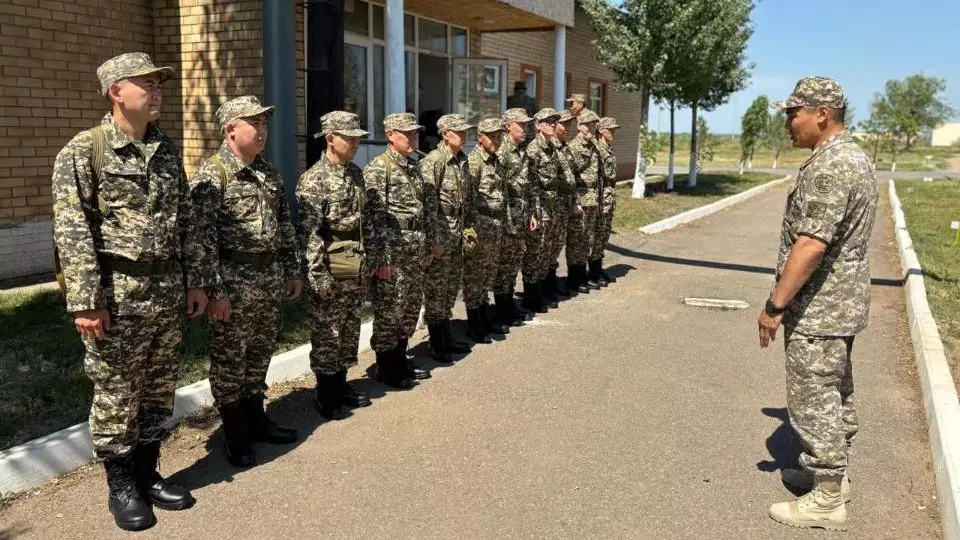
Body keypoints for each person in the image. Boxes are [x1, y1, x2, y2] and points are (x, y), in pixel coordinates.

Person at [51, 52, 202, 531]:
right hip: (118, 294)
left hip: (165, 290)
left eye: (160, 84)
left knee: (158, 390)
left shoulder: (166, 149)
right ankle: (121, 487)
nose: (157, 91)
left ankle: (147, 472)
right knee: (117, 393)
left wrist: (196, 280)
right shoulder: (83, 151)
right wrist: (87, 301)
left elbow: (187, 222)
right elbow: (72, 232)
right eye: (147, 83)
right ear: (116, 90)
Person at [760, 77, 877, 531]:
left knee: (813, 398)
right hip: (838, 304)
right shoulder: (848, 156)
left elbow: (810, 245)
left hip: (820, 308)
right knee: (834, 391)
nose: (789, 122)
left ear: (821, 114)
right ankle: (833, 479)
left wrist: (775, 305)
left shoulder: (833, 166)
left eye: (794, 112)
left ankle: (827, 498)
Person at [187, 96, 301, 467]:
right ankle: (235, 433)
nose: (263, 131)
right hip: (232, 286)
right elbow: (199, 241)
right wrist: (214, 293)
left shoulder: (269, 173)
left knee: (259, 353)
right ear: (230, 129)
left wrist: (292, 269)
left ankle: (256, 419)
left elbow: (285, 226)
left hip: (267, 281)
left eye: (266, 124)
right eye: (255, 123)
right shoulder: (212, 175)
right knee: (230, 361)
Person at [296, 111, 374, 420]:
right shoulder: (314, 179)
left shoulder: (355, 173)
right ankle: (326, 395)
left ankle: (341, 386)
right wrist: (318, 275)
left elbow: (364, 220)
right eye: (349, 138)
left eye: (358, 138)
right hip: (331, 266)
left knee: (349, 328)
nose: (355, 143)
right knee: (328, 331)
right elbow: (310, 233)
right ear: (331, 138)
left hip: (354, 263)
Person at [363, 113, 431, 387]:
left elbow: (423, 210)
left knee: (409, 308)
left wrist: (426, 245)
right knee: (390, 310)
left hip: (414, 250)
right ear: (391, 135)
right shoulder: (379, 169)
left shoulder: (413, 167)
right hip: (393, 252)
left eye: (415, 133)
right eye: (407, 134)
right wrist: (381, 258)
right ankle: (386, 365)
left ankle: (400, 358)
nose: (413, 138)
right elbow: (373, 218)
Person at [420, 114, 475, 362]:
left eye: (465, 131)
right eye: (459, 131)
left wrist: (468, 232)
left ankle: (446, 335)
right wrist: (434, 240)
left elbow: (467, 201)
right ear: (445, 134)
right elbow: (428, 206)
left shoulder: (461, 160)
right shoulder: (434, 161)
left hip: (457, 233)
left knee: (451, 287)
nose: (464, 135)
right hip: (442, 233)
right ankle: (436, 342)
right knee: (436, 289)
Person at [464, 118, 515, 333]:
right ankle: (475, 324)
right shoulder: (474, 163)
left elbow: (503, 196)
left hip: (495, 226)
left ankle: (485, 317)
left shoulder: (497, 161)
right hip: (480, 228)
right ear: (479, 137)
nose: (496, 140)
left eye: (499, 136)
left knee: (488, 275)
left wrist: (505, 227)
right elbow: (466, 200)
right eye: (491, 136)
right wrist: (470, 233)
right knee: (475, 277)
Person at [492, 108, 539, 331]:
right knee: (503, 265)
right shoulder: (501, 153)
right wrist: (504, 224)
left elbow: (527, 187)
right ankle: (501, 309)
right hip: (507, 218)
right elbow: (497, 193)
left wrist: (530, 213)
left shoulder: (523, 152)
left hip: (521, 216)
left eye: (528, 125)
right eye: (522, 125)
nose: (526, 129)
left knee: (513, 264)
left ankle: (509, 303)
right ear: (508, 126)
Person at [522, 108, 564, 312]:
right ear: (538, 125)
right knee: (534, 253)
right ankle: (531, 297)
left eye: (554, 121)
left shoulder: (552, 147)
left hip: (552, 207)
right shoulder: (533, 150)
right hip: (539, 209)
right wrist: (533, 213)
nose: (552, 124)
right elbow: (530, 185)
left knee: (547, 252)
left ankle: (541, 291)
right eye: (547, 122)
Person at [566, 109, 603, 291]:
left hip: (592, 200)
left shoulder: (594, 146)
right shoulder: (574, 147)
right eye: (587, 124)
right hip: (580, 200)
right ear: (580, 126)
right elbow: (570, 177)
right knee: (576, 240)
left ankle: (582, 275)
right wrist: (575, 202)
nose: (591, 128)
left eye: (594, 124)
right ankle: (574, 278)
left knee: (586, 239)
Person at [550, 109, 579, 297]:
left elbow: (571, 177)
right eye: (564, 124)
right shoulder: (550, 147)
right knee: (549, 248)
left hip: (564, 205)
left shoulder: (564, 147)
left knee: (557, 246)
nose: (567, 128)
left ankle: (551, 284)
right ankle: (548, 286)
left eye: (569, 124)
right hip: (553, 205)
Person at [592, 116, 621, 285]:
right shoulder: (598, 150)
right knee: (597, 234)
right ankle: (594, 271)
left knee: (603, 234)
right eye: (611, 130)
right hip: (601, 199)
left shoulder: (608, 149)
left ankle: (598, 267)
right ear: (602, 131)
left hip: (609, 199)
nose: (614, 133)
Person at [506, 81, 539, 145]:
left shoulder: (509, 100)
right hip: (529, 133)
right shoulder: (532, 100)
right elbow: (538, 116)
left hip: (513, 131)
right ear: (525, 89)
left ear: (515, 89)